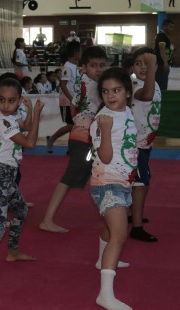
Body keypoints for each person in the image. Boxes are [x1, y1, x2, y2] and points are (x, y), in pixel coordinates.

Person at [0, 77, 44, 296]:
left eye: (12, 101)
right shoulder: (2, 121)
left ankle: (12, 251)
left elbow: (25, 126)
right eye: (2, 100)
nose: (6, 105)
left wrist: (30, 110)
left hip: (8, 177)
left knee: (21, 210)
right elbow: (30, 142)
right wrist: (38, 115)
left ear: (19, 101)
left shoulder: (11, 116)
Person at [40, 46, 107, 234]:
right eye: (94, 66)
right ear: (84, 67)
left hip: (84, 136)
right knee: (72, 177)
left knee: (98, 172)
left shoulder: (83, 82)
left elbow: (74, 107)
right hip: (84, 139)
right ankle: (47, 219)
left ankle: (110, 212)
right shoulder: (94, 86)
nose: (99, 69)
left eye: (102, 65)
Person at [89, 67, 138, 310]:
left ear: (128, 93)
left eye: (117, 90)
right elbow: (105, 156)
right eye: (106, 91)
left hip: (121, 181)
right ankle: (105, 295)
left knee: (111, 227)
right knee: (120, 234)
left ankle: (102, 259)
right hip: (107, 182)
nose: (111, 96)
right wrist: (106, 131)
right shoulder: (102, 121)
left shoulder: (127, 110)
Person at [129, 48, 161, 243]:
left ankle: (133, 214)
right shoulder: (133, 84)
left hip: (145, 142)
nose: (143, 67)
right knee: (141, 183)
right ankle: (137, 226)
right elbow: (146, 96)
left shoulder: (155, 83)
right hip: (135, 144)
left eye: (148, 63)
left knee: (141, 181)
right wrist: (151, 69)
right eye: (139, 63)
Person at [45, 41, 81, 153]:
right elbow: (63, 85)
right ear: (75, 52)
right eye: (80, 52)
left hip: (73, 100)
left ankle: (70, 148)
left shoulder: (74, 67)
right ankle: (52, 139)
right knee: (71, 125)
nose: (81, 54)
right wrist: (71, 99)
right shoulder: (68, 67)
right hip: (67, 101)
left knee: (74, 125)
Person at [154, 19, 174, 90]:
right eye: (170, 27)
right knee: (161, 84)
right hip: (161, 65)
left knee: (162, 83)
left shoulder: (163, 36)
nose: (172, 29)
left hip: (161, 64)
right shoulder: (162, 36)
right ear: (164, 26)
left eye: (172, 27)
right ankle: (160, 98)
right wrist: (165, 63)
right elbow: (161, 48)